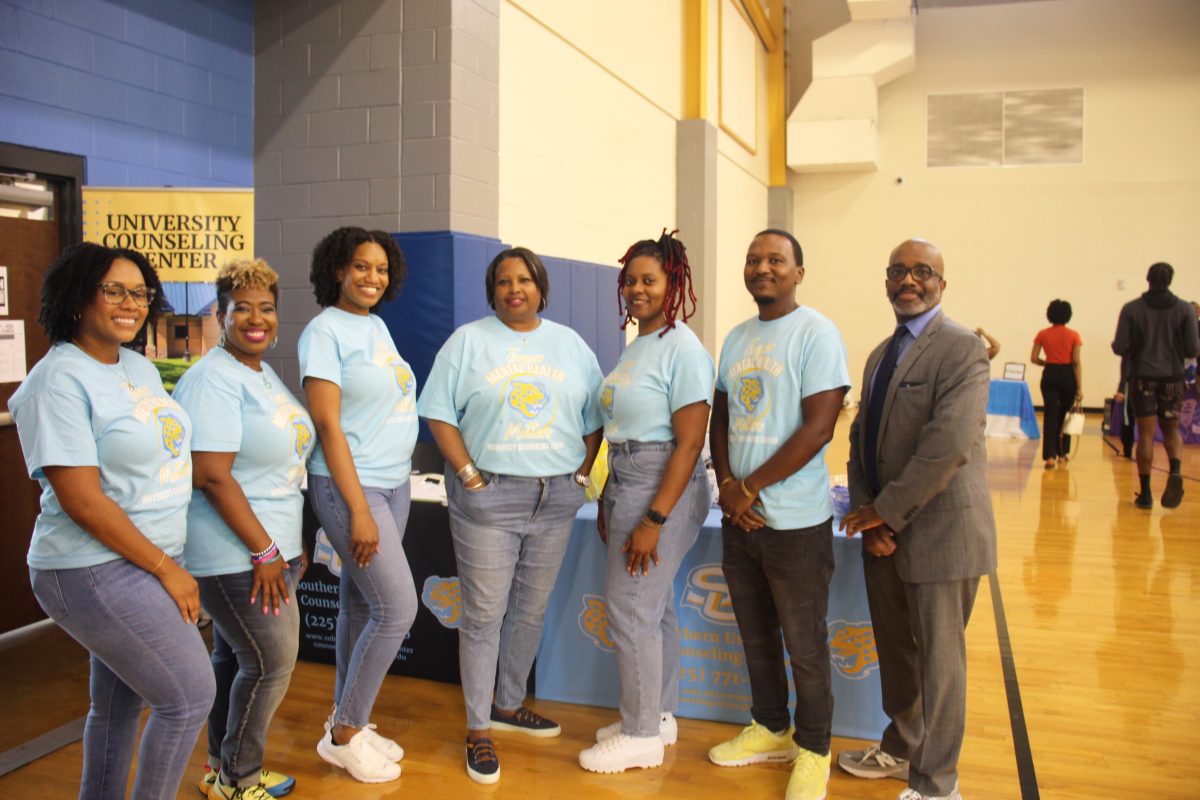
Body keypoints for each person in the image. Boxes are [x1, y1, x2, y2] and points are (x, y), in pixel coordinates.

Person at [10, 242, 214, 800]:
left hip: (142, 558)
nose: (131, 303)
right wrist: (166, 570)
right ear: (78, 298)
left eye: (141, 292)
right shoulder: (56, 381)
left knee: (120, 703)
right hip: (91, 566)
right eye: (114, 291)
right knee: (190, 695)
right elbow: (82, 500)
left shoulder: (137, 366)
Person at [418, 246, 604, 785]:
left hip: (556, 498)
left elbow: (594, 416)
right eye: (503, 281)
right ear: (492, 290)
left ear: (541, 288)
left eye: (524, 280)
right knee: (483, 616)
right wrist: (470, 475)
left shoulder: (569, 344)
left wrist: (581, 472)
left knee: (529, 611)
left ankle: (508, 702)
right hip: (489, 497)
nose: (514, 288)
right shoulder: (468, 342)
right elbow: (438, 413)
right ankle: (479, 729)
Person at [839, 238, 997, 800]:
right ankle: (901, 747)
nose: (910, 280)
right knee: (898, 655)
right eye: (899, 271)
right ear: (886, 281)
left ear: (941, 284)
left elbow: (948, 446)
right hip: (884, 533)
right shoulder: (881, 353)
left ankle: (936, 785)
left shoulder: (961, 350)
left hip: (942, 534)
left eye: (923, 271)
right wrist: (872, 518)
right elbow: (860, 440)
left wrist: (886, 513)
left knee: (940, 666)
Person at [706, 229, 849, 800]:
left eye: (776, 260)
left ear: (798, 272)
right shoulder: (737, 337)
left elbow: (819, 427)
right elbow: (721, 418)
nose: (762, 268)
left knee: (804, 644)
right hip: (741, 521)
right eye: (753, 259)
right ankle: (770, 726)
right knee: (756, 635)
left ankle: (813, 749)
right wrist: (726, 485)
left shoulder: (817, 333)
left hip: (794, 522)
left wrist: (751, 486)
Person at [173, 260, 313, 799]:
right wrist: (265, 550)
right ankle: (238, 779)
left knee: (235, 659)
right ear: (220, 314)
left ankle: (219, 769)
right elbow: (211, 474)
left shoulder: (257, 370)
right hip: (238, 556)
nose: (257, 318)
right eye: (243, 308)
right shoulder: (212, 379)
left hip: (268, 549)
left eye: (267, 308)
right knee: (271, 662)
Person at [576, 232, 714, 774]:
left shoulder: (683, 348)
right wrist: (612, 497)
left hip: (664, 482)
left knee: (630, 610)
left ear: (672, 285)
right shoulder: (640, 346)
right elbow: (622, 428)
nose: (636, 289)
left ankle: (639, 736)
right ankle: (657, 714)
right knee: (654, 608)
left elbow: (689, 442)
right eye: (630, 280)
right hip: (631, 477)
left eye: (649, 280)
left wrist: (654, 518)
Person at [299, 228, 418, 783]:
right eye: (360, 267)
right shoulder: (324, 331)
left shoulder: (375, 326)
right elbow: (328, 424)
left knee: (360, 606)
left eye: (381, 269)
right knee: (398, 610)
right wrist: (359, 510)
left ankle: (350, 720)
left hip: (393, 484)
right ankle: (345, 731)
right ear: (337, 271)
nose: (372, 277)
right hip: (354, 490)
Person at [1111, 262, 1200, 509]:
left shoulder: (1131, 309)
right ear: (1170, 280)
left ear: (1147, 278)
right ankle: (1176, 470)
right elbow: (1193, 349)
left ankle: (1147, 494)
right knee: (1171, 430)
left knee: (1147, 434)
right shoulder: (1185, 310)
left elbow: (1119, 347)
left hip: (1143, 377)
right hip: (1173, 377)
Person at [1030, 300, 1083, 468]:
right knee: (1065, 416)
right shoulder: (1074, 335)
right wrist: (1080, 387)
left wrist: (1047, 363)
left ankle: (1049, 456)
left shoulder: (1042, 334)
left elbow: (1033, 358)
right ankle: (1062, 454)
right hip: (1068, 375)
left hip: (1050, 374)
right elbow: (1076, 362)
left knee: (1050, 415)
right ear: (1068, 315)